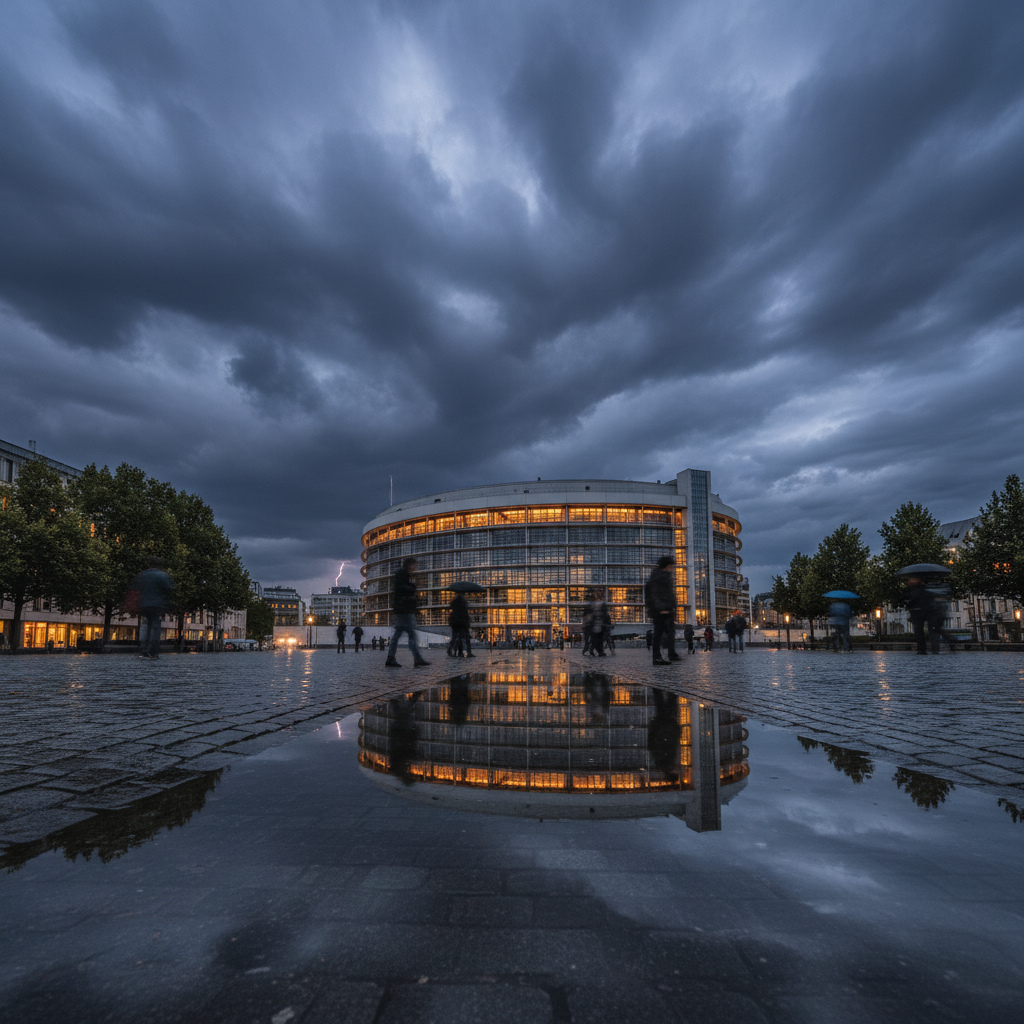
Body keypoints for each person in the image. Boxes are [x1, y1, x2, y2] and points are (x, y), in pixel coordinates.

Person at [386, 557, 430, 668]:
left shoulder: (403, 575)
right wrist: (412, 587)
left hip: (403, 609)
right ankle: (416, 659)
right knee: (410, 634)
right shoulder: (402, 575)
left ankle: (392, 658)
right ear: (409, 565)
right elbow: (400, 590)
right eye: (414, 565)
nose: (415, 568)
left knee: (401, 634)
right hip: (404, 609)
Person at [132, 556, 173, 660]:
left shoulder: (142, 575)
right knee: (155, 627)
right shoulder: (163, 575)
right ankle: (153, 651)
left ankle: (143, 650)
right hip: (157, 605)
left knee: (145, 626)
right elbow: (169, 589)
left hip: (143, 604)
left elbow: (136, 588)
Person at [644, 555, 679, 665]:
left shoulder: (664, 575)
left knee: (669, 632)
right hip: (660, 610)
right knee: (659, 634)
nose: (672, 568)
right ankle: (657, 657)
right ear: (667, 565)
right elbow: (656, 594)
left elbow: (668, 594)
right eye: (671, 566)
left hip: (666, 608)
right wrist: (661, 608)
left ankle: (671, 654)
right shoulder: (659, 576)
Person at [448, 592, 474, 658]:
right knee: (466, 638)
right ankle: (468, 652)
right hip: (462, 623)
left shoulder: (454, 603)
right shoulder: (463, 604)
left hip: (455, 623)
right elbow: (465, 614)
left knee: (455, 638)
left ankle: (452, 651)